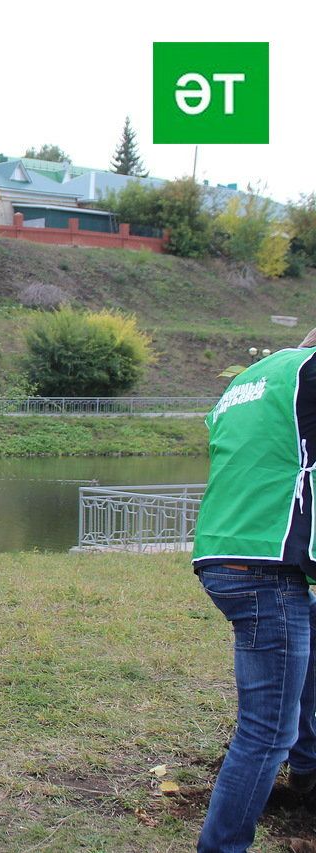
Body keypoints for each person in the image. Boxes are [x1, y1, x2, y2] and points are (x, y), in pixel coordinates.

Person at [192, 328, 316, 853]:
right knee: (266, 734)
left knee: (303, 673)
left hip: (224, 551)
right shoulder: (308, 375)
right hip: (267, 564)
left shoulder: (251, 378)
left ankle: (308, 776)